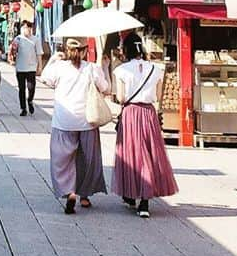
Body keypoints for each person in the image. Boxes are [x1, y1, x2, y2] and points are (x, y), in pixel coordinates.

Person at [37, 36, 109, 214]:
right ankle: (84, 196)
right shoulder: (92, 69)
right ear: (85, 51)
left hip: (63, 121)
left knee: (62, 160)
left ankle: (69, 191)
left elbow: (44, 78)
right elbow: (106, 88)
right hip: (87, 121)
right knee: (88, 160)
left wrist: (53, 58)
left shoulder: (59, 68)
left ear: (66, 51)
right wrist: (104, 67)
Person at [111, 33, 178, 218]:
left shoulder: (122, 70)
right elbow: (157, 96)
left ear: (126, 49)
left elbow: (122, 97)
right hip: (149, 113)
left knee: (131, 154)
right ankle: (145, 201)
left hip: (131, 113)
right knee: (148, 153)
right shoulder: (156, 69)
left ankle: (131, 194)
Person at [9, 21, 41, 116]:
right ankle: (23, 108)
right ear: (22, 29)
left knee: (31, 87)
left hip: (31, 67)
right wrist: (12, 56)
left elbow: (39, 54)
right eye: (26, 28)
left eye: (30, 28)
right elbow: (12, 51)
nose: (28, 30)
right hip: (20, 67)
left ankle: (30, 100)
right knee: (21, 88)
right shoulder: (17, 39)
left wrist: (40, 67)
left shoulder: (36, 39)